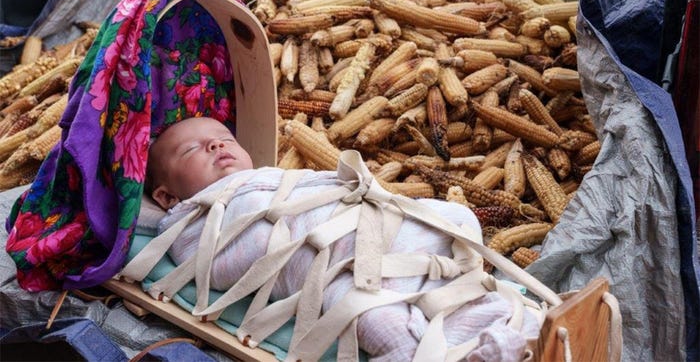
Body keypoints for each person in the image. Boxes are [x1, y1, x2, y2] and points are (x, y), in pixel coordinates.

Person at [143, 116, 538, 361]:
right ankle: (458, 354)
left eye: (224, 137)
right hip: (333, 269)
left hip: (375, 227)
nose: (216, 144)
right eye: (192, 149)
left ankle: (511, 325)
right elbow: (216, 268)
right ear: (166, 196)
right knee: (378, 320)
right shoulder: (191, 221)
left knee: (456, 224)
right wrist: (267, 238)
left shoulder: (277, 176)